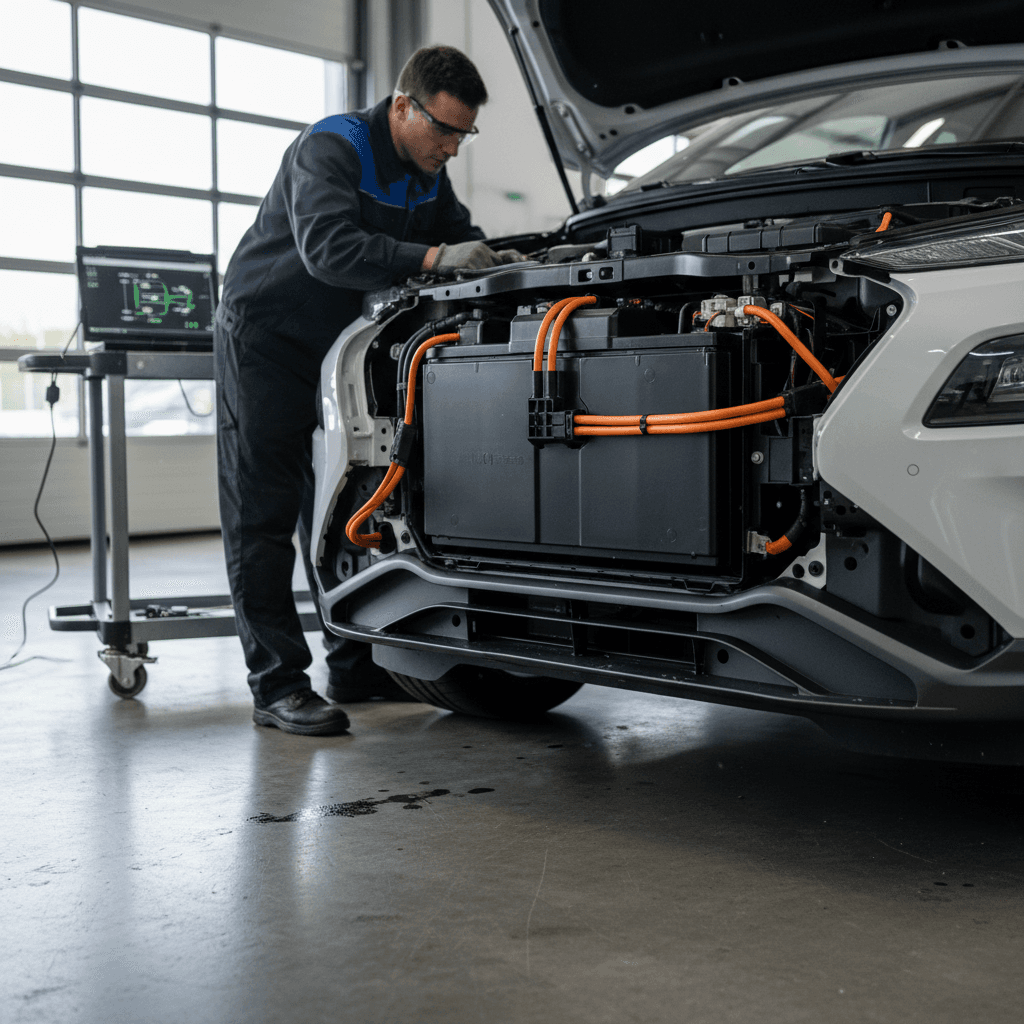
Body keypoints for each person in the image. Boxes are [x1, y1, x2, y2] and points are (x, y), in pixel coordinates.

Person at [214, 45, 521, 736]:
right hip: (266, 337)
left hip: (339, 349)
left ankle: (353, 665)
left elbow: (461, 239)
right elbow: (329, 250)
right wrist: (437, 258)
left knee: (343, 508)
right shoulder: (332, 148)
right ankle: (276, 686)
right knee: (261, 513)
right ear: (402, 106)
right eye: (443, 130)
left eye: (463, 135)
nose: (451, 147)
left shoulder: (426, 173)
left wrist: (509, 261)